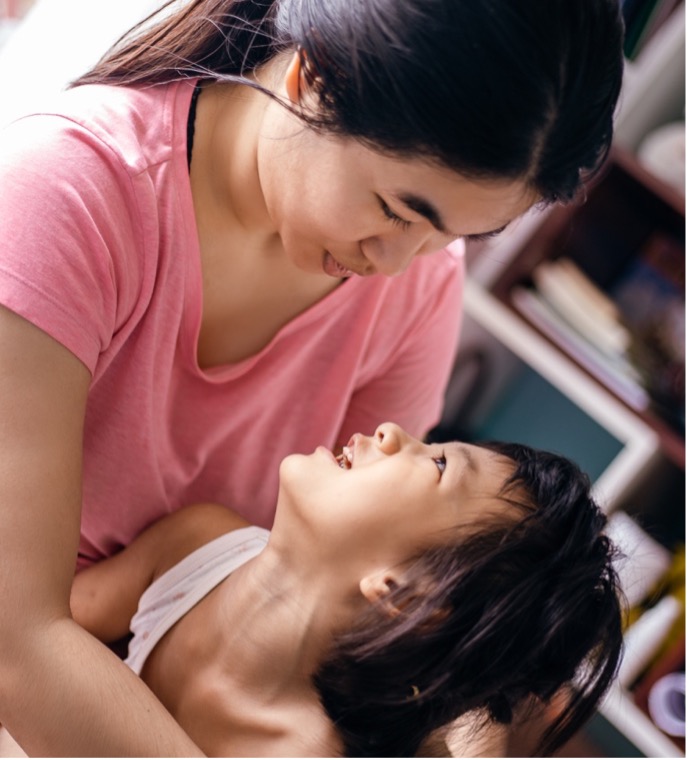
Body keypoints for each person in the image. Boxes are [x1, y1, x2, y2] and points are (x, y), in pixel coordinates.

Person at [0, 0, 625, 754]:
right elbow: (16, 642)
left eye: (453, 234)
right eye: (397, 210)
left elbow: (395, 586)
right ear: (312, 79)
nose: (397, 264)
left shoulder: (416, 290)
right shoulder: (64, 192)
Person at [2, 423, 624, 757]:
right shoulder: (199, 544)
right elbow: (30, 618)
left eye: (437, 466)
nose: (390, 431)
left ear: (405, 595)